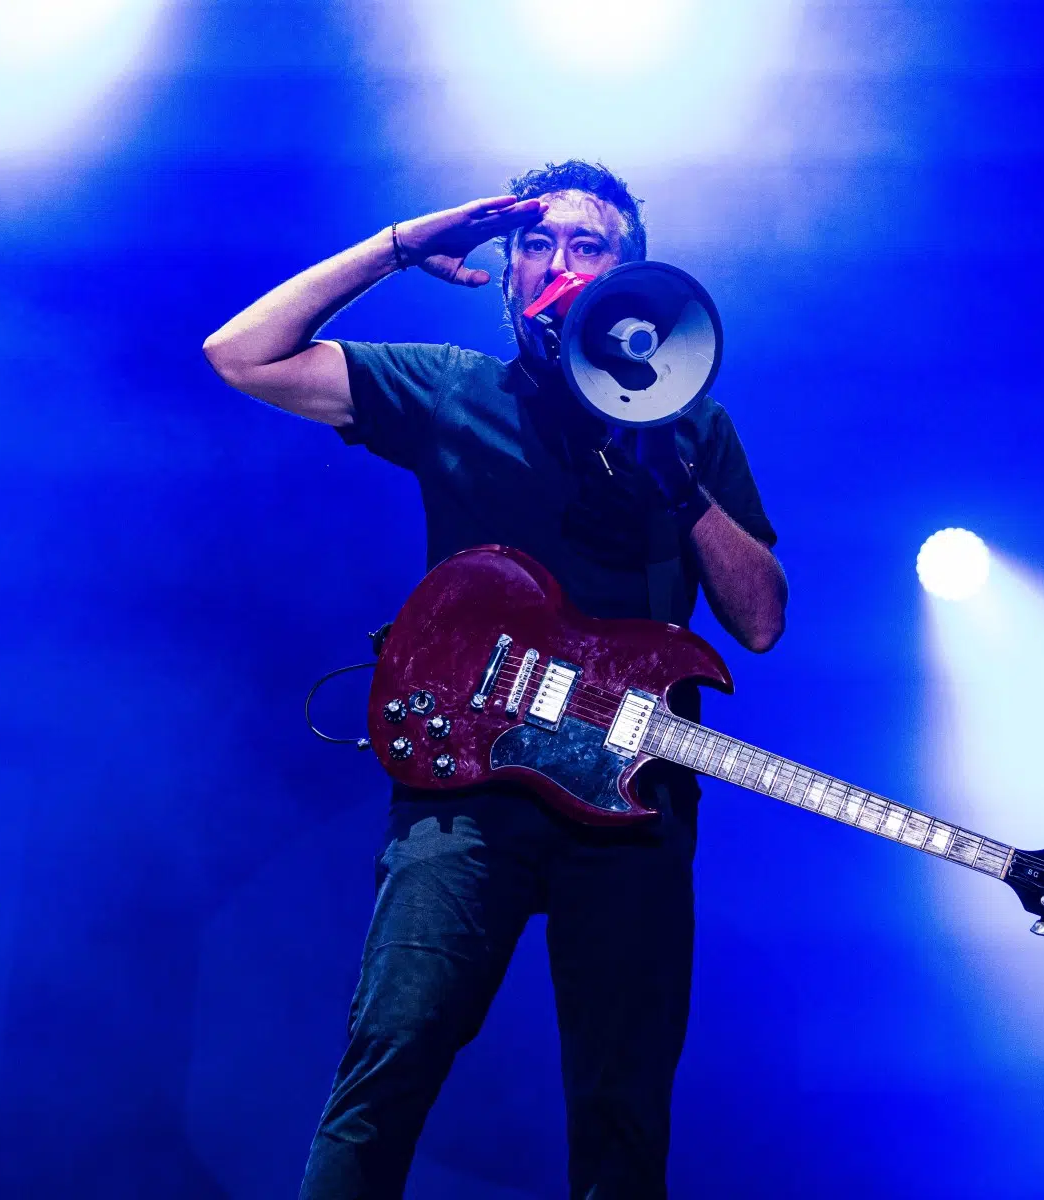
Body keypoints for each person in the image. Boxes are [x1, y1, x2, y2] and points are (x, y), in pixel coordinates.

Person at [203, 160, 787, 1199]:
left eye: (588, 246)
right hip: (466, 786)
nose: (558, 264)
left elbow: (761, 620)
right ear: (508, 270)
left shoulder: (695, 425)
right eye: (535, 243)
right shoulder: (453, 390)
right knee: (394, 1051)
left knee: (622, 1107)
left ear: (630, 282)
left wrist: (679, 483)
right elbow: (240, 354)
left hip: (636, 796)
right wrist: (398, 246)